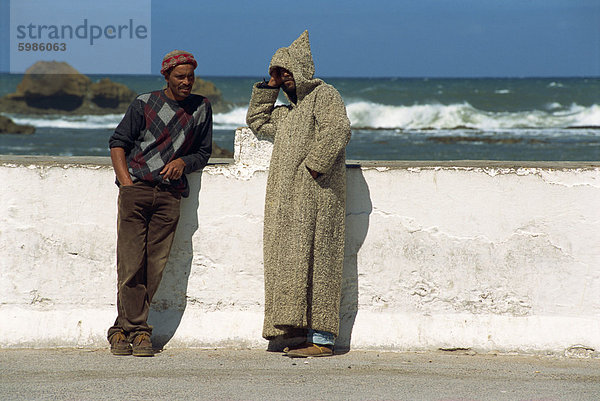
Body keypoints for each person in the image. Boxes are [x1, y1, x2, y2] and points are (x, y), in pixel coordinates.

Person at [246, 31, 351, 357]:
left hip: (318, 197)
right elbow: (257, 121)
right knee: (291, 265)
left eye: (286, 72)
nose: (282, 78)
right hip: (290, 203)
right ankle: (298, 331)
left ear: (302, 70)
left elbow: (338, 129)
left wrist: (314, 168)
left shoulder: (325, 95)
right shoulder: (287, 113)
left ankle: (322, 340)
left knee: (321, 262)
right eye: (277, 73)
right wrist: (268, 88)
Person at [106, 50, 212, 357]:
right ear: (166, 76)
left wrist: (183, 161)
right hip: (136, 191)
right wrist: (127, 184)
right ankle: (138, 331)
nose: (187, 82)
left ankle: (123, 330)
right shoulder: (144, 103)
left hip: (170, 196)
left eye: (190, 76)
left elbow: (203, 153)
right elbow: (118, 143)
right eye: (180, 76)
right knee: (130, 265)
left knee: (154, 268)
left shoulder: (202, 107)